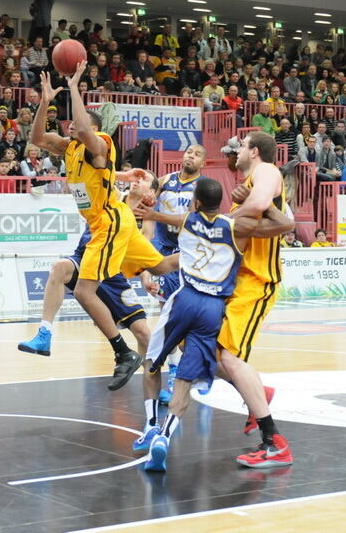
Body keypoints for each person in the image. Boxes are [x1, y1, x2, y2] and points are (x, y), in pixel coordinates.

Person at [22, 61, 178, 391]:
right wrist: (46, 101)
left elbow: (84, 127)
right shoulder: (69, 149)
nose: (70, 127)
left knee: (83, 291)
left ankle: (122, 354)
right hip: (105, 225)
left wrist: (76, 87)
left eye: (77, 124)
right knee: (163, 265)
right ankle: (207, 251)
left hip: (109, 224)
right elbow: (36, 137)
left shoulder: (100, 145)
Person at [141, 178, 293, 472]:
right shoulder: (236, 228)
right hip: (212, 309)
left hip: (184, 300)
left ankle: (150, 426)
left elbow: (158, 220)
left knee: (151, 361)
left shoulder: (185, 220)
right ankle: (164, 435)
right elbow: (286, 226)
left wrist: (149, 211)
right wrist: (265, 204)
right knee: (186, 377)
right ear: (221, 202)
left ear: (195, 202)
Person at [220, 132, 294, 468]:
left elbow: (261, 204)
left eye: (241, 145)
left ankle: (274, 441)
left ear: (254, 151)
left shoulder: (266, 171)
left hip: (257, 280)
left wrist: (218, 222)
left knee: (229, 358)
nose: (236, 150)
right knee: (199, 350)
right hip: (239, 279)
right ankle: (257, 393)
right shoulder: (247, 181)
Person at [135, 144, 207, 404]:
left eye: (197, 154)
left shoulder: (202, 187)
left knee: (187, 318)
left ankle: (202, 368)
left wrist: (155, 213)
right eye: (188, 152)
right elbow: (149, 190)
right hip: (166, 252)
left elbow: (190, 219)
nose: (191, 156)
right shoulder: (166, 180)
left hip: (189, 252)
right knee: (168, 315)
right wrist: (147, 192)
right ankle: (177, 369)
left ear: (203, 163)